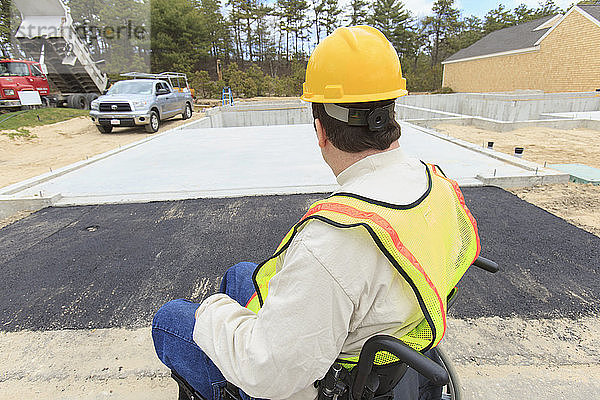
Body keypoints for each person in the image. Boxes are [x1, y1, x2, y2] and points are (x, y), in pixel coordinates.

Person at [152, 25, 480, 400]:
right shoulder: (435, 183)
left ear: (321, 130)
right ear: (391, 113)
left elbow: (271, 375)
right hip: (388, 338)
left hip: (328, 381)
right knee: (239, 275)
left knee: (172, 318)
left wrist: (211, 313)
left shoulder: (334, 241)